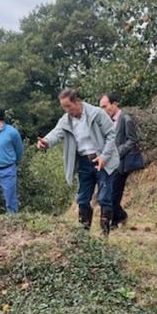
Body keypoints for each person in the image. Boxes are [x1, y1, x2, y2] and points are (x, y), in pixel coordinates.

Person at [37, 89, 119, 236]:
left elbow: (111, 135)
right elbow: (56, 132)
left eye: (68, 106)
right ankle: (83, 234)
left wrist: (104, 157)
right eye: (64, 107)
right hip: (84, 162)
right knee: (82, 198)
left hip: (102, 160)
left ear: (77, 102)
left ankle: (104, 234)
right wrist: (46, 141)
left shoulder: (97, 113)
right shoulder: (66, 120)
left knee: (104, 197)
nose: (67, 110)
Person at [99, 93, 143, 228]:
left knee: (114, 194)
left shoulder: (126, 119)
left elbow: (132, 140)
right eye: (101, 107)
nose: (103, 110)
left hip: (121, 164)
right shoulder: (105, 121)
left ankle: (115, 221)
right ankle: (120, 217)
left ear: (115, 104)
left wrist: (118, 152)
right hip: (108, 163)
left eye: (105, 106)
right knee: (107, 194)